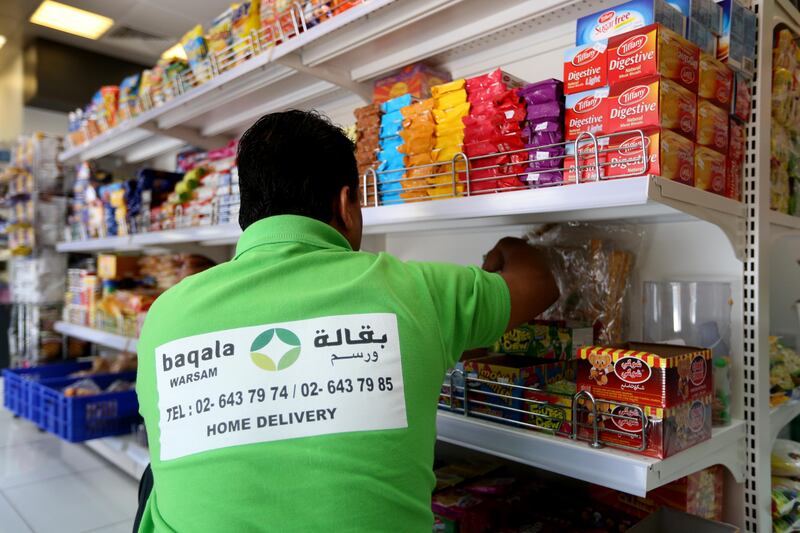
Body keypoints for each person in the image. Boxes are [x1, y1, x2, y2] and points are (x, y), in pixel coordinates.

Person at [134, 110, 558, 533]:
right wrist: (509, 244)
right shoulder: (415, 290)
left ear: (247, 209)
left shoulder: (164, 315)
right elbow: (539, 282)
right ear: (345, 204)